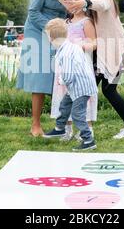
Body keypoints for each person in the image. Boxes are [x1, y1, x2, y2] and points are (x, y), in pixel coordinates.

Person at [65, 0, 124, 139]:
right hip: (102, 54)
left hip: (118, 53)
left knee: (109, 90)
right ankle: (82, 128)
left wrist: (85, 1)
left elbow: (102, 5)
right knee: (87, 86)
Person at [16, 0, 85, 137]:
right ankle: (35, 125)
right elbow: (33, 11)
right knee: (40, 74)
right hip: (39, 28)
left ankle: (66, 123)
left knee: (64, 75)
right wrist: (52, 28)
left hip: (63, 29)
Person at [50, 0, 98, 141]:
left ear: (83, 4)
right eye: (69, 2)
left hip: (80, 63)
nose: (73, 5)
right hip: (65, 64)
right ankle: (66, 128)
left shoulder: (86, 22)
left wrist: (81, 45)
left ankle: (88, 128)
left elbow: (94, 42)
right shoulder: (65, 23)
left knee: (81, 95)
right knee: (65, 94)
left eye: (76, 2)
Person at [43, 18, 98, 151]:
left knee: (77, 114)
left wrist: (61, 80)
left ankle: (88, 139)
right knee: (65, 105)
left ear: (51, 38)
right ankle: (60, 128)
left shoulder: (65, 53)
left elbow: (67, 74)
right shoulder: (69, 46)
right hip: (77, 85)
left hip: (81, 87)